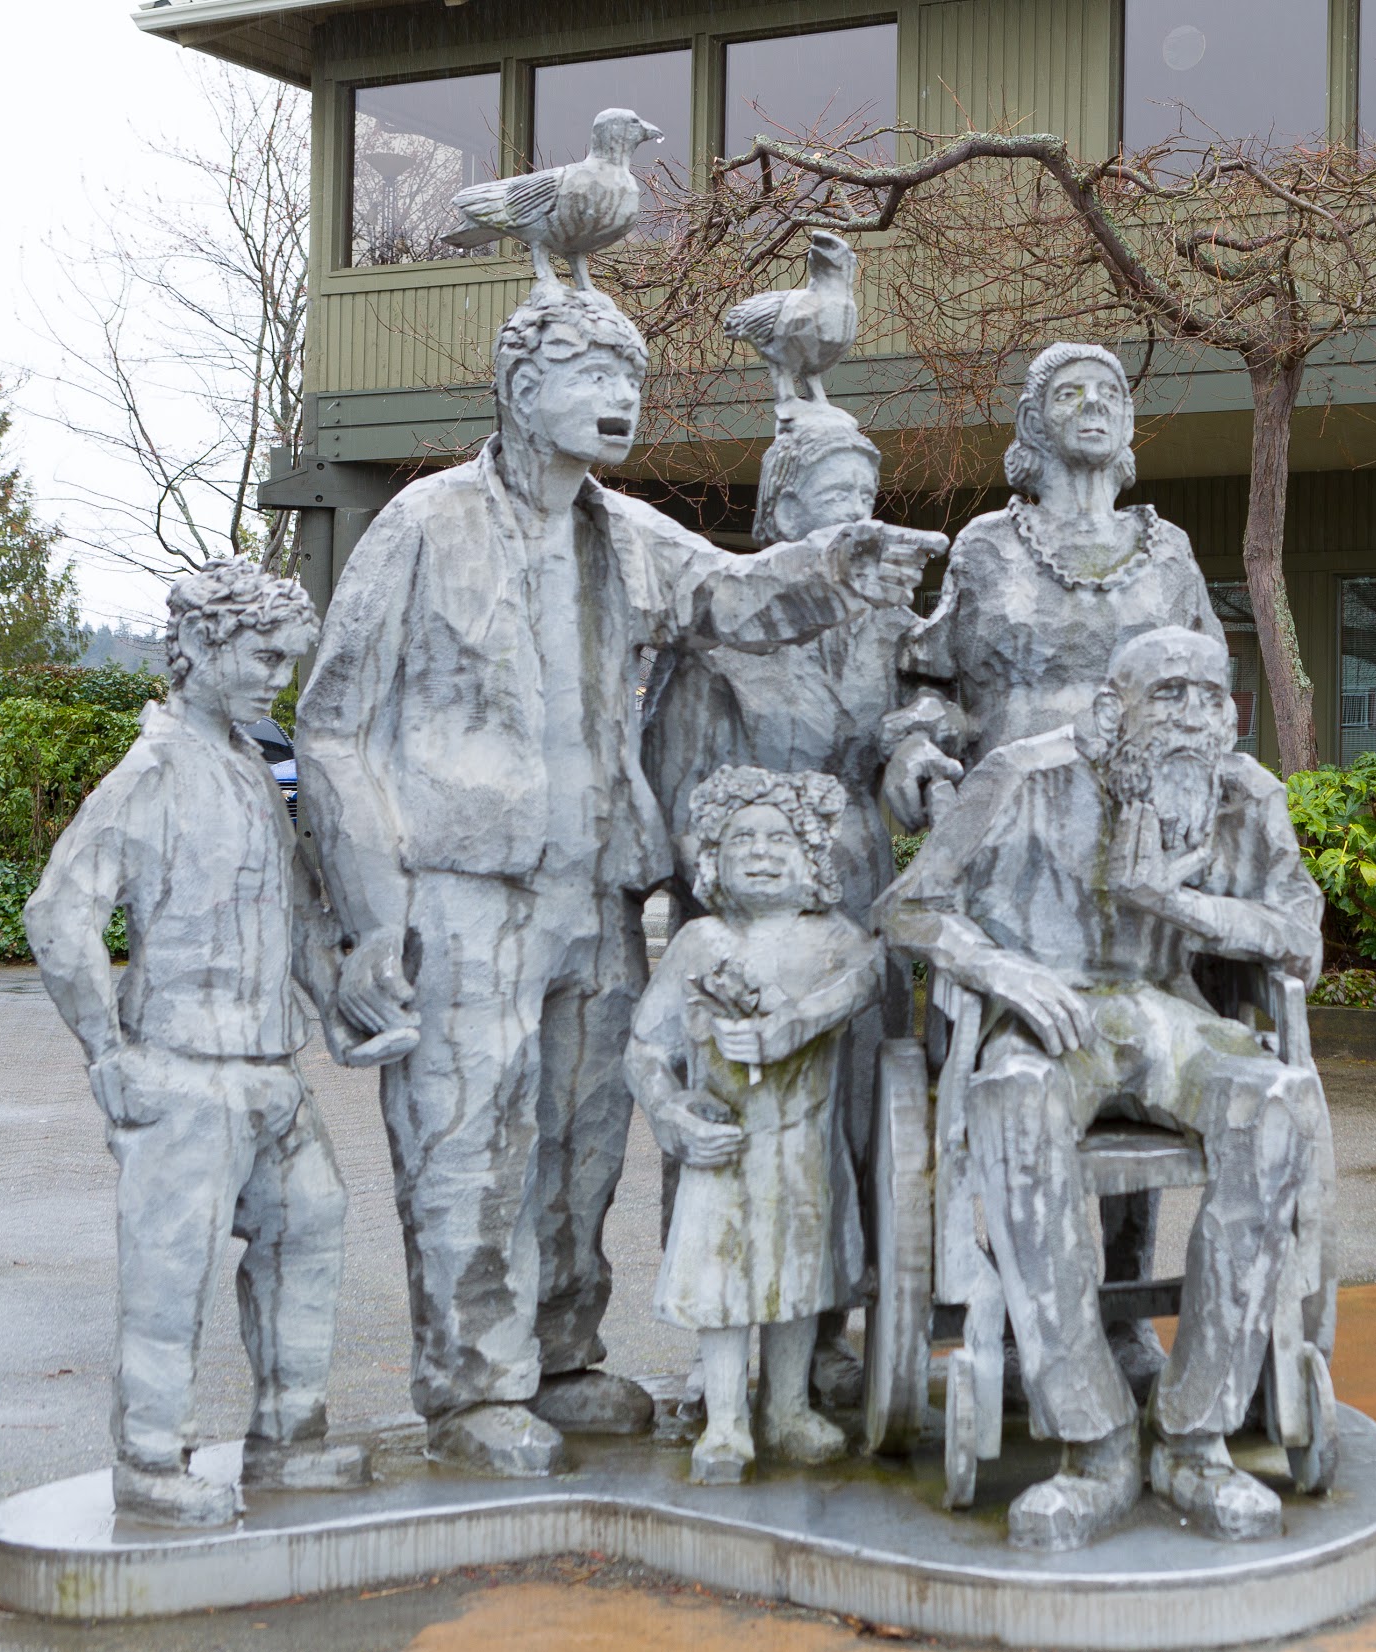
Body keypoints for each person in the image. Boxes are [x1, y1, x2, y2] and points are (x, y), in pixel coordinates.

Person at [295, 283, 940, 1478]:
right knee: (471, 1139)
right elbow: (331, 725)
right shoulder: (426, 523)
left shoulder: (622, 532)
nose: (622, 405)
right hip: (461, 887)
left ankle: (560, 1354)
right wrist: (372, 914)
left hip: (596, 889)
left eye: (633, 385)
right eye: (596, 379)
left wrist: (841, 560)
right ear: (519, 388)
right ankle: (475, 1388)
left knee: (585, 1133)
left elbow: (731, 597)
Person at [874, 628, 1326, 1552]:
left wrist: (1181, 906)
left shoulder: (1242, 794)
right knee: (1012, 1104)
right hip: (1051, 1014)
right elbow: (909, 908)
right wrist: (1001, 971)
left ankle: (1195, 1439)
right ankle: (1096, 1443)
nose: (1197, 720)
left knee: (1277, 1109)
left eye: (1213, 698)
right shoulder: (1024, 777)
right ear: (1113, 710)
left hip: (1171, 1017)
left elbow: (1299, 936)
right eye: (1172, 695)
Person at [885, 340, 1227, 1394]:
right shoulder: (989, 547)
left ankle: (1123, 1309)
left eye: (1109, 393)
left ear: (1129, 430)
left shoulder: (1167, 558)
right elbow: (926, 679)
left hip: (1140, 852)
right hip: (1010, 851)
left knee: (1139, 1060)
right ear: (1029, 431)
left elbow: (1211, 695)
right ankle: (1021, 1291)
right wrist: (916, 745)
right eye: (1065, 393)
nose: (1092, 406)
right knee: (1014, 1072)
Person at [24, 559, 371, 1527]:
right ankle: (145, 1460)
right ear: (203, 645)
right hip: (181, 1070)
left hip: (270, 1070)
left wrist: (342, 1013)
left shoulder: (256, 769)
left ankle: (288, 1435)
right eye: (263, 656)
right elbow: (59, 915)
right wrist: (107, 1052)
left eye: (286, 661)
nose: (277, 678)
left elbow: (299, 916)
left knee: (312, 1221)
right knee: (170, 1271)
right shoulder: (153, 770)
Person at [640, 398, 920, 1414]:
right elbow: (676, 782)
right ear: (780, 513)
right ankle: (714, 1343)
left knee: (842, 1127)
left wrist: (919, 750)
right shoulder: (720, 636)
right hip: (743, 905)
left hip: (857, 904)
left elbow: (912, 722)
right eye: (830, 498)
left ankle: (824, 1330)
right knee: (722, 1117)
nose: (854, 516)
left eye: (864, 497)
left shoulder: (886, 622)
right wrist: (719, 900)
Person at [626, 765, 881, 1484]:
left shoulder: (832, 939)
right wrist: (671, 1110)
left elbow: (868, 979)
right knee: (723, 1278)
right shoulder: (700, 944)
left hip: (801, 1145)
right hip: (724, 1143)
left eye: (779, 839)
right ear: (714, 860)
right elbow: (646, 1047)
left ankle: (788, 1407)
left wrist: (793, 1024)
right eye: (744, 839)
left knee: (797, 1273)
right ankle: (729, 1418)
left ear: (811, 861)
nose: (762, 851)